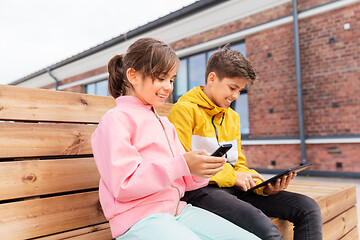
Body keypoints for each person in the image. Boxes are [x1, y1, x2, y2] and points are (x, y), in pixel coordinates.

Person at [91, 38, 259, 240]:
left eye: (171, 80)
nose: (168, 87)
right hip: (138, 220)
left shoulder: (164, 123)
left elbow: (185, 181)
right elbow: (123, 185)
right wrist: (180, 165)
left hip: (177, 211)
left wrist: (199, 170)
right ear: (133, 76)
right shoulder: (115, 120)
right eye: (161, 78)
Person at [168, 46, 323, 240]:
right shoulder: (184, 111)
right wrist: (233, 178)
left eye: (240, 90)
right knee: (267, 230)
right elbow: (182, 165)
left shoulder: (232, 117)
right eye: (232, 88)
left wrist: (263, 187)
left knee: (308, 208)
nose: (236, 96)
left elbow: (239, 165)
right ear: (212, 79)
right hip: (200, 191)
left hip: (235, 188)